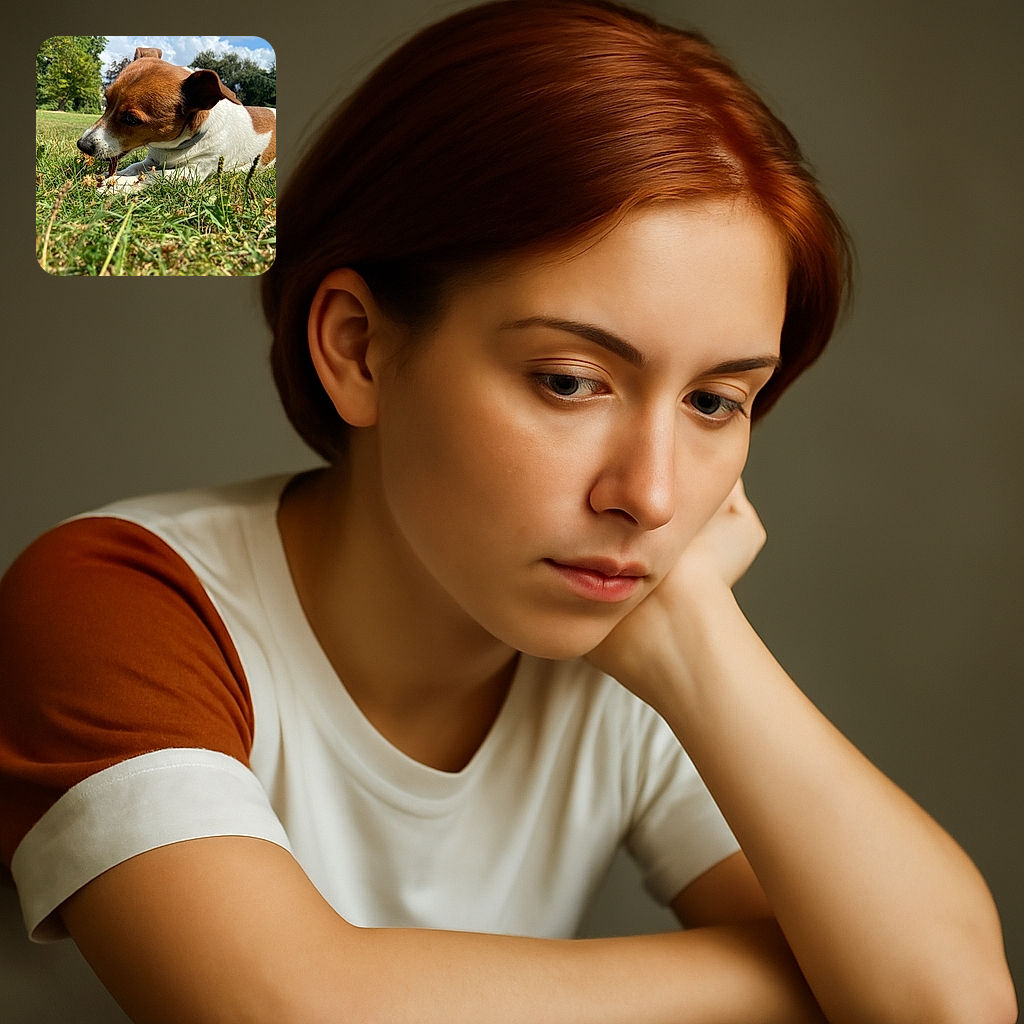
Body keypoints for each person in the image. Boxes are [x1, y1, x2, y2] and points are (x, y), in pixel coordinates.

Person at [0, 1, 1015, 1021]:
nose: (652, 496)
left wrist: (699, 634)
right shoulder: (116, 601)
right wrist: (806, 978)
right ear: (358, 347)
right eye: (570, 380)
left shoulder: (630, 638)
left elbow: (949, 1004)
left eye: (714, 401)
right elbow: (291, 1010)